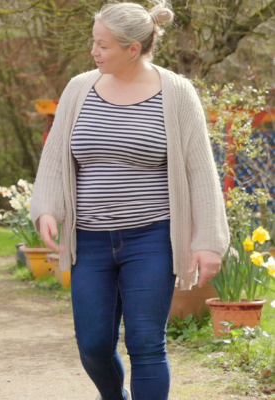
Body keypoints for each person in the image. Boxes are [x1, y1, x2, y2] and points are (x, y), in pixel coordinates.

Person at [30, 1, 229, 399]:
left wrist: (208, 241)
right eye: (93, 42)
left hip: (152, 238)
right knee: (93, 344)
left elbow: (200, 171)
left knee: (145, 344)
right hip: (89, 240)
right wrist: (47, 208)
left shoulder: (177, 93)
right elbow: (55, 157)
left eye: (102, 46)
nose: (94, 52)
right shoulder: (78, 89)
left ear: (133, 49)